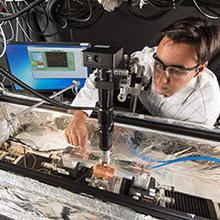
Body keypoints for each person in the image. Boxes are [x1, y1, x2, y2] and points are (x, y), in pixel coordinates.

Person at [64, 16, 220, 157]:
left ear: (198, 69)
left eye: (176, 71)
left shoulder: (204, 106)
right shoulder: (148, 60)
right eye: (159, 64)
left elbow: (183, 150)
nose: (162, 79)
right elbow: (102, 75)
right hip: (143, 114)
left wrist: (132, 138)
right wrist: (80, 115)